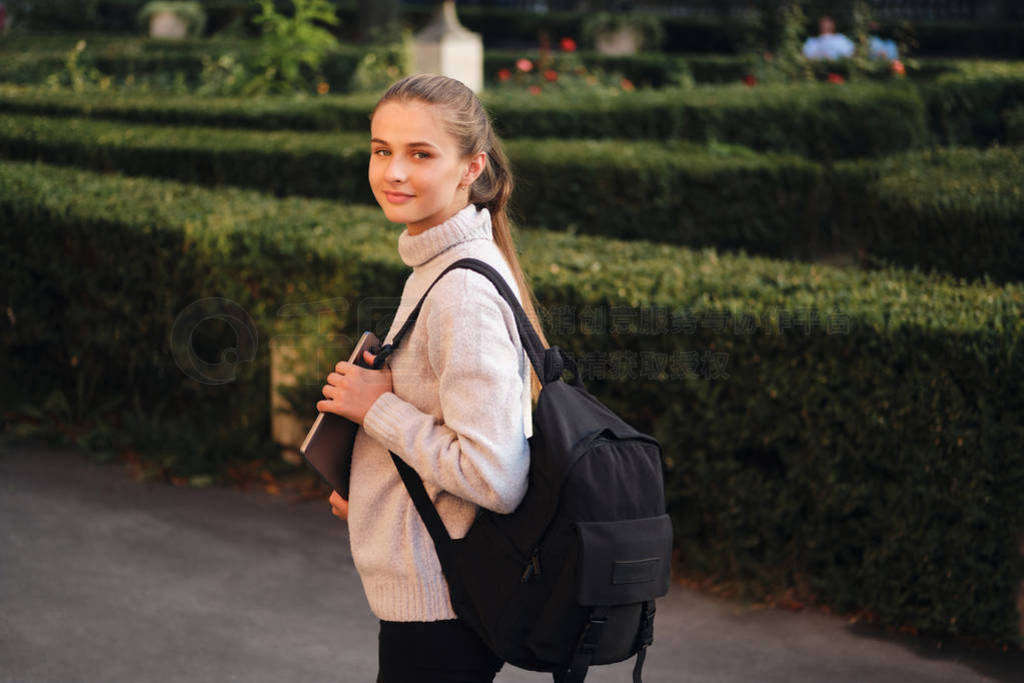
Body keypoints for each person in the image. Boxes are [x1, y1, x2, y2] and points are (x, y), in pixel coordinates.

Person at [316, 73, 545, 682]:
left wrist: (377, 411)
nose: (393, 172)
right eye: (381, 150)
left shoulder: (460, 292)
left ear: (471, 168)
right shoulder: (436, 259)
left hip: (442, 604)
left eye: (420, 154)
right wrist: (369, 485)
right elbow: (441, 424)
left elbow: (495, 476)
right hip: (436, 592)